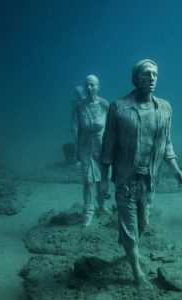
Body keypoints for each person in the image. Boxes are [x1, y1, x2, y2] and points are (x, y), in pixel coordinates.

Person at [101, 59, 182, 289]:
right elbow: (107, 145)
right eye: (146, 74)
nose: (151, 78)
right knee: (130, 226)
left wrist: (176, 169)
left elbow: (167, 143)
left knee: (143, 223)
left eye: (155, 74)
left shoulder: (165, 108)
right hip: (125, 178)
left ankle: (129, 246)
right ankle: (137, 271)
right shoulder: (118, 107)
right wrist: (102, 180)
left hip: (150, 180)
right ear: (135, 78)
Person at [76, 76, 109, 226]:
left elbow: (110, 129)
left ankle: (102, 204)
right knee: (87, 180)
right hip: (85, 147)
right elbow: (79, 129)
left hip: (101, 146)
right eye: (87, 85)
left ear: (98, 86)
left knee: (102, 178)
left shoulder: (104, 105)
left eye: (92, 85)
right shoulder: (80, 106)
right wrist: (77, 149)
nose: (89, 88)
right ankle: (88, 211)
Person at [70, 86, 85, 164]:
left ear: (82, 91)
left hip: (84, 124)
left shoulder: (86, 100)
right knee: (76, 141)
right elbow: (72, 114)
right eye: (76, 92)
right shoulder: (74, 102)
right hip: (76, 124)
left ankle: (85, 158)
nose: (78, 93)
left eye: (79, 92)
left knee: (85, 141)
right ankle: (77, 159)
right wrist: (71, 125)